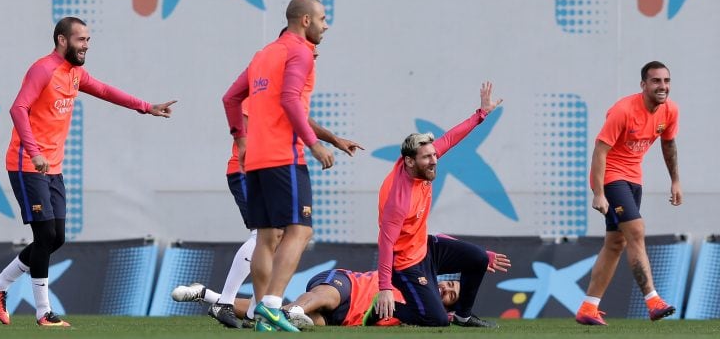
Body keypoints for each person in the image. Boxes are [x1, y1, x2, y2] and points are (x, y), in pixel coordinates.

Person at [0, 17, 176, 327]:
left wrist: (146, 106)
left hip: (53, 167)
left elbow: (104, 90)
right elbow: (18, 108)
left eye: (88, 39)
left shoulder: (75, 73)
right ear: (62, 40)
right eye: (80, 39)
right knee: (44, 234)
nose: (86, 45)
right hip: (27, 164)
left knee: (56, 237)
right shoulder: (43, 69)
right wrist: (34, 153)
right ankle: (43, 312)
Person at [222, 0, 335, 332]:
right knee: (301, 230)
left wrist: (241, 139)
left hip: (255, 159)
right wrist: (314, 145)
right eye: (322, 18)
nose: (325, 25)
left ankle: (260, 312)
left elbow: (230, 98)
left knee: (267, 235)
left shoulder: (264, 53)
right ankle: (272, 304)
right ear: (305, 21)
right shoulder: (299, 51)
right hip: (284, 156)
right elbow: (289, 99)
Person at [202, 97, 363, 329]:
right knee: (264, 235)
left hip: (271, 172)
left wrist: (334, 140)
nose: (312, 59)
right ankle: (225, 302)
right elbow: (244, 123)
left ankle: (252, 313)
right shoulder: (261, 88)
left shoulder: (285, 92)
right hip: (250, 171)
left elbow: (302, 120)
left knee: (276, 237)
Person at [371, 81, 503, 328]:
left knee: (478, 258)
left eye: (434, 155)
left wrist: (481, 114)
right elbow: (386, 244)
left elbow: (451, 138)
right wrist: (385, 288)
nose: (434, 160)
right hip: (406, 264)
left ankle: (463, 315)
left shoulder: (420, 163)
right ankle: (380, 308)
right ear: (410, 162)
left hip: (426, 248)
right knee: (437, 320)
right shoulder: (397, 200)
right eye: (428, 157)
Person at [575, 61, 681, 326]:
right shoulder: (623, 110)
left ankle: (589, 307)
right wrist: (599, 193)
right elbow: (600, 151)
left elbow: (668, 144)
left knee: (615, 243)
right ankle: (653, 300)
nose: (663, 86)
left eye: (666, 81)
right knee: (636, 231)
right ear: (643, 85)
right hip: (611, 177)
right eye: (656, 81)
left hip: (634, 180)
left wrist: (675, 181)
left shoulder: (670, 111)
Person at [171, 248, 510, 327]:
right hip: (347, 285)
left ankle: (210, 297)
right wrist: (481, 256)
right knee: (321, 298)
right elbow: (437, 246)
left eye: (451, 295)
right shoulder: (416, 276)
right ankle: (281, 316)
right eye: (449, 283)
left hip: (345, 318)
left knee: (314, 323)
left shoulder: (426, 314)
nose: (448, 290)